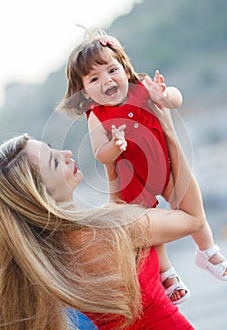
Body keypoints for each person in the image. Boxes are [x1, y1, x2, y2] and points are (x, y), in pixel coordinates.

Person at [57, 28, 227, 303]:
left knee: (190, 205)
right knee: (152, 228)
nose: (107, 80)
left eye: (112, 70)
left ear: (125, 69)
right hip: (133, 179)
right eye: (94, 78)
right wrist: (114, 147)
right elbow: (100, 153)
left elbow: (176, 99)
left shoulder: (142, 89)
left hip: (164, 168)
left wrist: (165, 95)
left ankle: (208, 252)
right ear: (85, 93)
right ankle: (167, 273)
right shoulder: (97, 115)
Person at [0, 105, 206, 330]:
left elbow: (108, 220)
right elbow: (193, 218)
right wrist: (168, 133)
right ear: (42, 195)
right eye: (54, 161)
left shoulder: (45, 256)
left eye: (52, 149)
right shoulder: (112, 231)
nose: (66, 154)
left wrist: (111, 167)